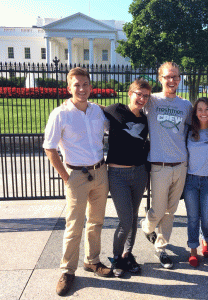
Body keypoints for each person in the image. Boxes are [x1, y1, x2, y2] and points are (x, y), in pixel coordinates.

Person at [43, 67, 112, 297]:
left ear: (91, 87)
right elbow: (49, 148)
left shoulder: (97, 112)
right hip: (76, 175)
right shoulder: (60, 114)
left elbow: (114, 128)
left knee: (96, 221)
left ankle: (92, 261)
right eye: (77, 85)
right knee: (74, 225)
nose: (82, 89)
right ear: (69, 88)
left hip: (100, 172)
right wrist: (66, 177)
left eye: (85, 84)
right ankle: (67, 270)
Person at [140, 61, 193, 269]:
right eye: (167, 77)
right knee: (158, 210)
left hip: (181, 164)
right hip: (159, 165)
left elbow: (195, 128)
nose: (171, 80)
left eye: (175, 76)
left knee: (171, 211)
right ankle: (146, 226)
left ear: (179, 79)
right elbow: (131, 108)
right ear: (160, 79)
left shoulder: (186, 105)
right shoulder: (151, 101)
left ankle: (161, 248)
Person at [103, 78, 151, 277]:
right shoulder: (114, 110)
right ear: (130, 93)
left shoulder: (145, 119)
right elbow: (92, 108)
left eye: (146, 96)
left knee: (133, 217)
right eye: (138, 94)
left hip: (139, 172)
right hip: (118, 174)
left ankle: (127, 254)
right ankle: (116, 258)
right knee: (125, 219)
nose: (141, 98)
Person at [183, 97, 208, 267]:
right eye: (200, 109)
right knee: (193, 217)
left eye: (207, 109)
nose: (203, 113)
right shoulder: (188, 131)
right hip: (191, 180)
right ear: (195, 112)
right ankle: (193, 249)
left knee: (207, 217)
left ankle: (206, 240)